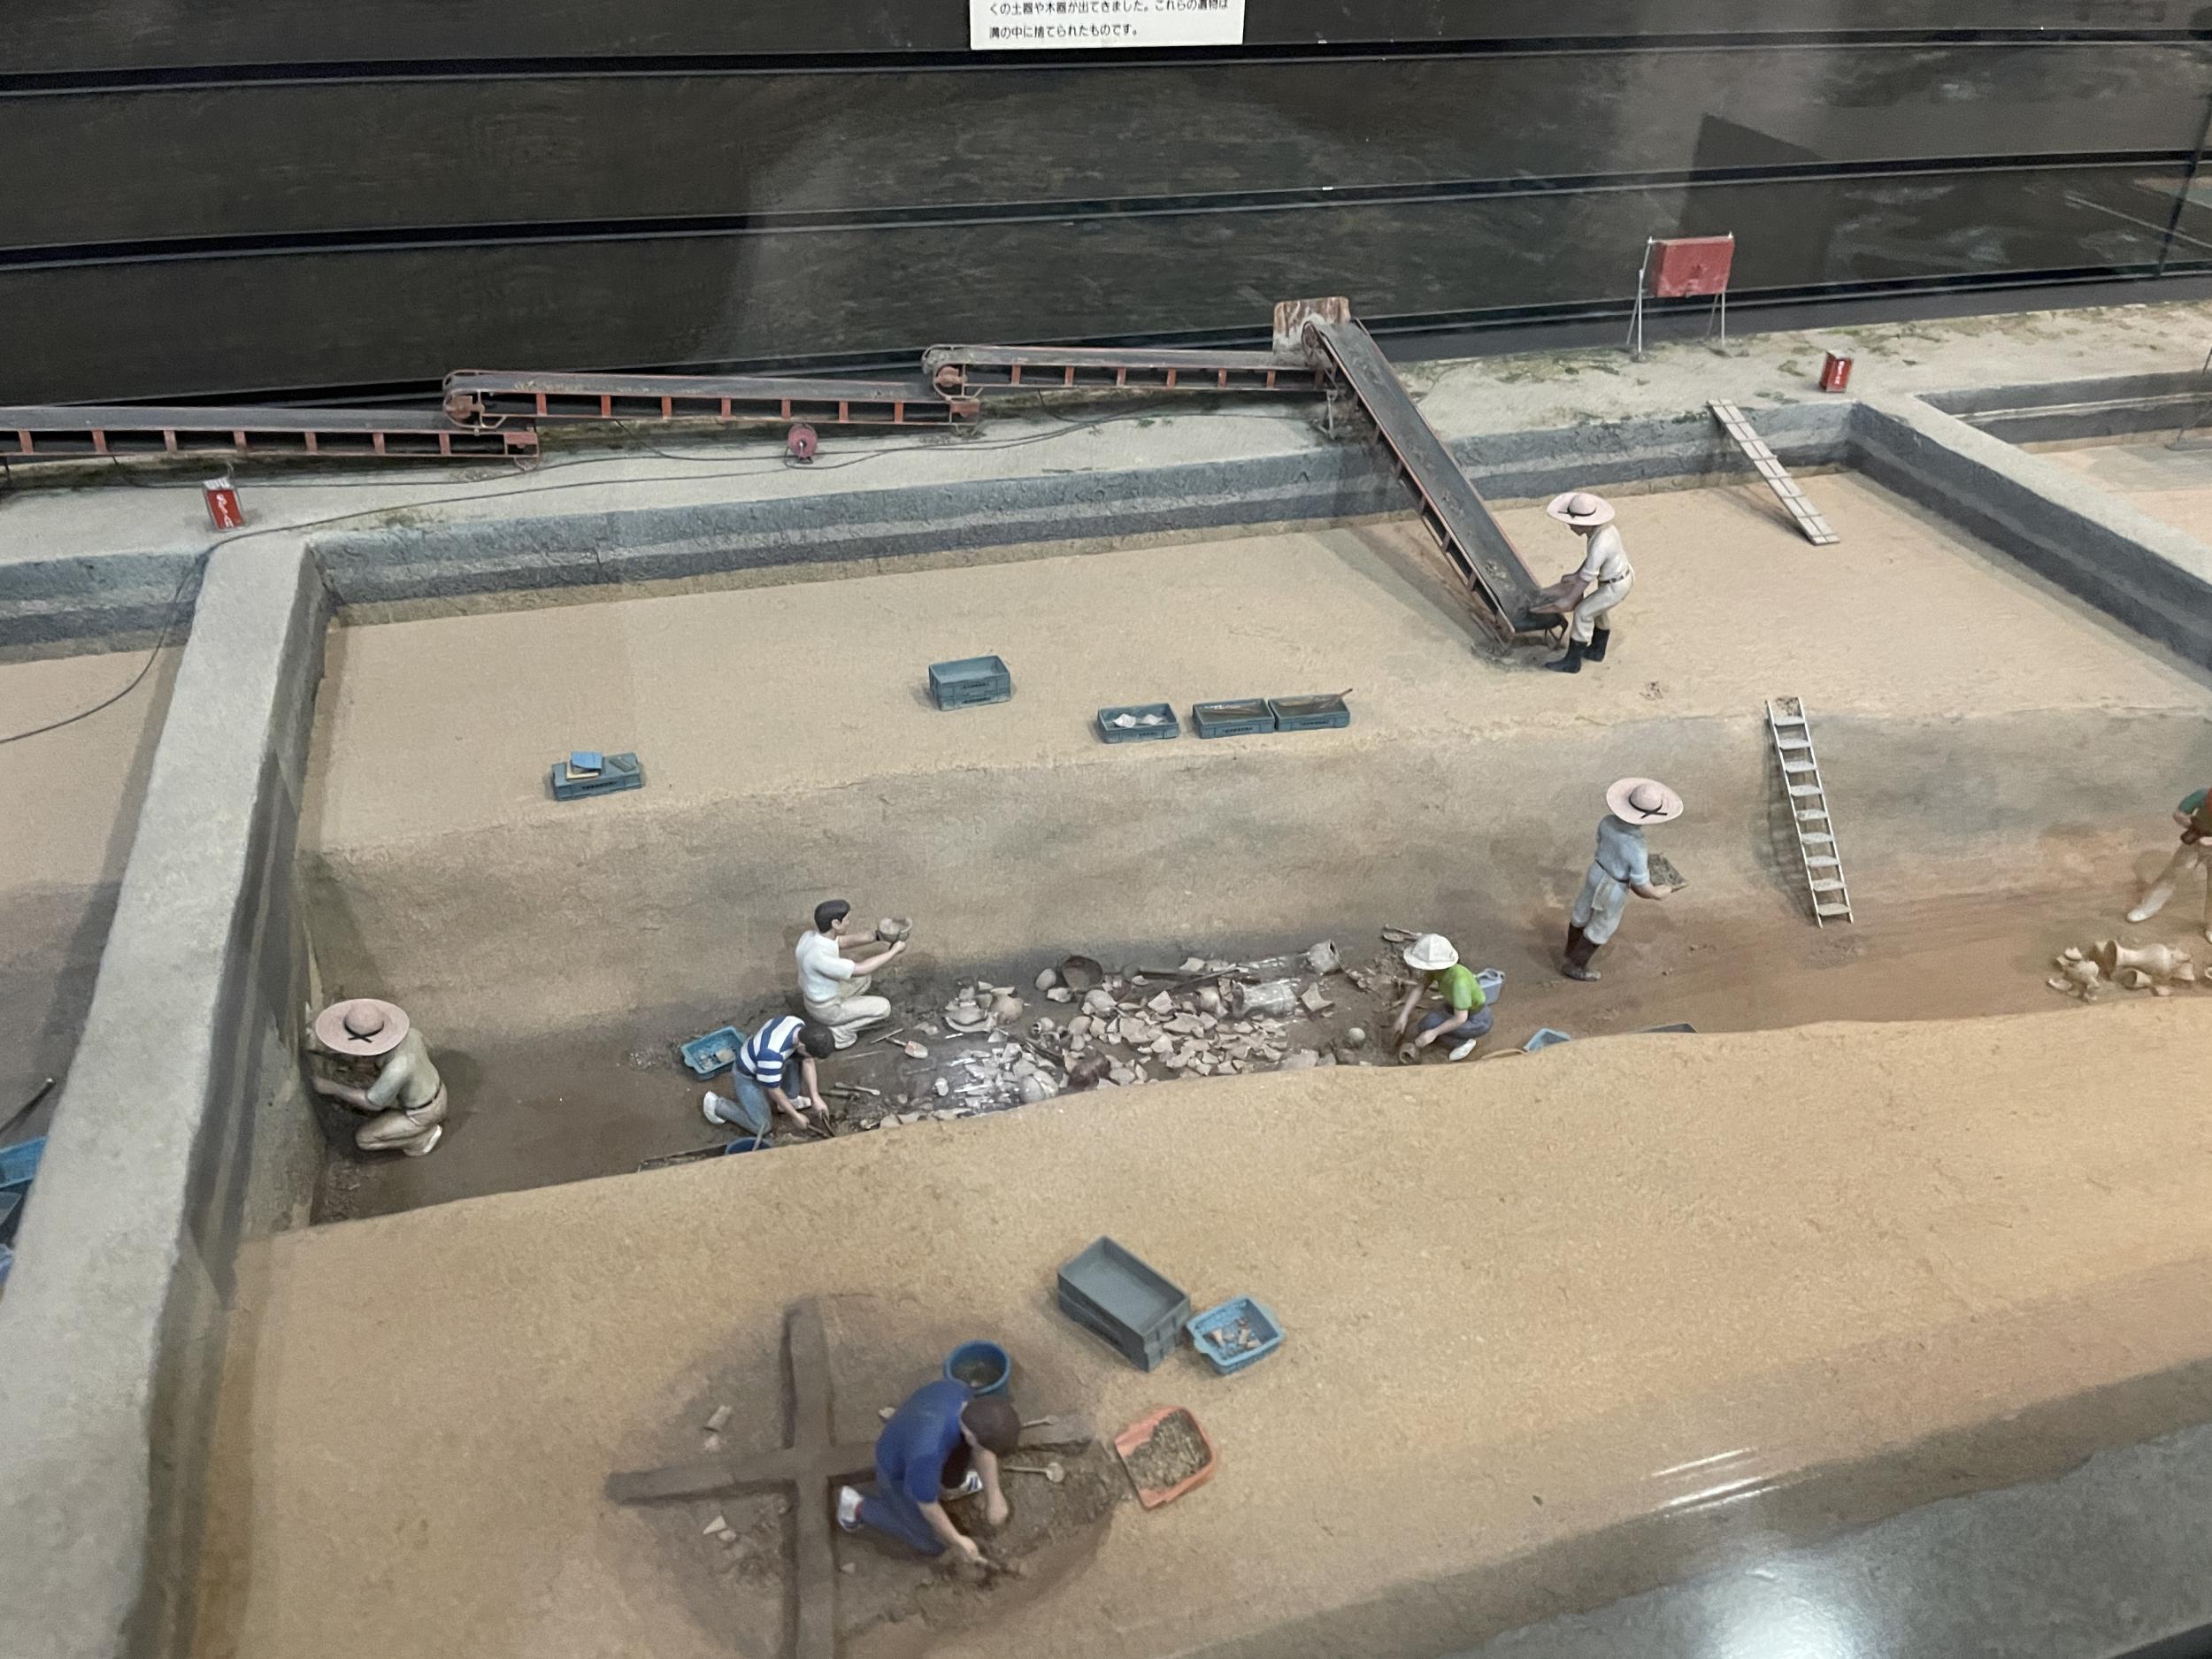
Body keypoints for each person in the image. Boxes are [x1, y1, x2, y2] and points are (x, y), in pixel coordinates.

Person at [836, 1379, 1019, 1566]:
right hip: (896, 1471)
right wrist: (957, 1540)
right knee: (933, 1543)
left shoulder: (963, 1397)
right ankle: (858, 1507)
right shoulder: (927, 1453)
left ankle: (948, 1487)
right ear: (972, 1435)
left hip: (919, 1438)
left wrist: (994, 1496)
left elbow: (981, 1451)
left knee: (964, 1452)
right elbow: (927, 1506)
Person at [1564, 778, 1682, 981]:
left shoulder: (1607, 822)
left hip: (1597, 871)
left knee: (1582, 910)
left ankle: (1570, 949)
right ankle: (1576, 964)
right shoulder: (1637, 847)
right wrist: (1659, 893)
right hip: (1613, 886)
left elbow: (1601, 843)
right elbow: (1642, 886)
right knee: (1603, 924)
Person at [308, 997, 446, 1156]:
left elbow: (373, 1103)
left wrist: (332, 1088)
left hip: (422, 1114)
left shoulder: (397, 1068)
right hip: (435, 1091)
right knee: (372, 1083)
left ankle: (421, 1138)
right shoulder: (411, 1035)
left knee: (364, 1139)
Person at [1538, 491, 1632, 674]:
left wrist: (1569, 599)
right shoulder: (1604, 530)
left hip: (1615, 585)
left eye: (1572, 523)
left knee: (1583, 612)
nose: (1569, 526)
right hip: (1617, 578)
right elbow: (1592, 562)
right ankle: (1597, 650)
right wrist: (1576, 575)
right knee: (1599, 611)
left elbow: (1588, 577)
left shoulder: (1600, 543)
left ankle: (1572, 662)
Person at [796, 900, 909, 1048]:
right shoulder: (820, 958)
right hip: (826, 1009)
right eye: (847, 920)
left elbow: (841, 942)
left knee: (864, 980)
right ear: (836, 923)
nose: (849, 923)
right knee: (884, 1008)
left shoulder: (809, 937)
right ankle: (840, 1033)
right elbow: (861, 968)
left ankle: (847, 1013)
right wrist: (893, 951)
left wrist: (877, 936)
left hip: (815, 998)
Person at [706, 1016, 834, 1132]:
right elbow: (773, 1090)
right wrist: (795, 1116)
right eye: (811, 1054)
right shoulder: (771, 1054)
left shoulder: (798, 1025)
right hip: (748, 1074)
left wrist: (815, 1097)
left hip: (773, 1060)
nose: (812, 1058)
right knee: (762, 1126)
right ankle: (717, 1106)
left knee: (798, 1060)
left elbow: (808, 1061)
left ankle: (786, 1101)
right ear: (802, 1046)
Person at [2125, 785, 2212, 941]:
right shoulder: (2203, 795)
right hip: (2195, 841)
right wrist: (2192, 825)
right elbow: (2180, 813)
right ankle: (2148, 907)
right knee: (2173, 874)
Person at [1391, 933, 1492, 1061]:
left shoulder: (1459, 983)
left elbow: (1460, 1018)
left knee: (1435, 1031)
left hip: (1476, 1020)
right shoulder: (1437, 971)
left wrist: (1434, 1033)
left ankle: (1463, 1043)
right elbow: (1420, 988)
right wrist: (1404, 1015)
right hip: (1452, 1008)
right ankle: (1441, 1033)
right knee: (1425, 1025)